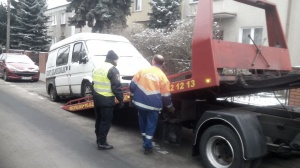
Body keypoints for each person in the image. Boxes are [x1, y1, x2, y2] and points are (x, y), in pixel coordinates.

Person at [129, 54, 175, 155]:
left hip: (140, 103)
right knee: (151, 125)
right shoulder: (163, 77)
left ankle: (145, 141)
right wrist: (170, 107)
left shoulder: (142, 71)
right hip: (153, 106)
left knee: (143, 123)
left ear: (153, 61)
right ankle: (147, 146)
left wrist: (131, 97)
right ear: (162, 64)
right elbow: (166, 96)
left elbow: (132, 85)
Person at [92, 50, 124, 150]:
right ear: (113, 60)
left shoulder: (97, 68)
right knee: (106, 121)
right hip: (106, 99)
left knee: (99, 120)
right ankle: (102, 143)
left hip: (97, 98)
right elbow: (116, 87)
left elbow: (93, 83)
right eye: (116, 60)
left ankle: (98, 139)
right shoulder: (113, 70)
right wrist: (121, 100)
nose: (117, 62)